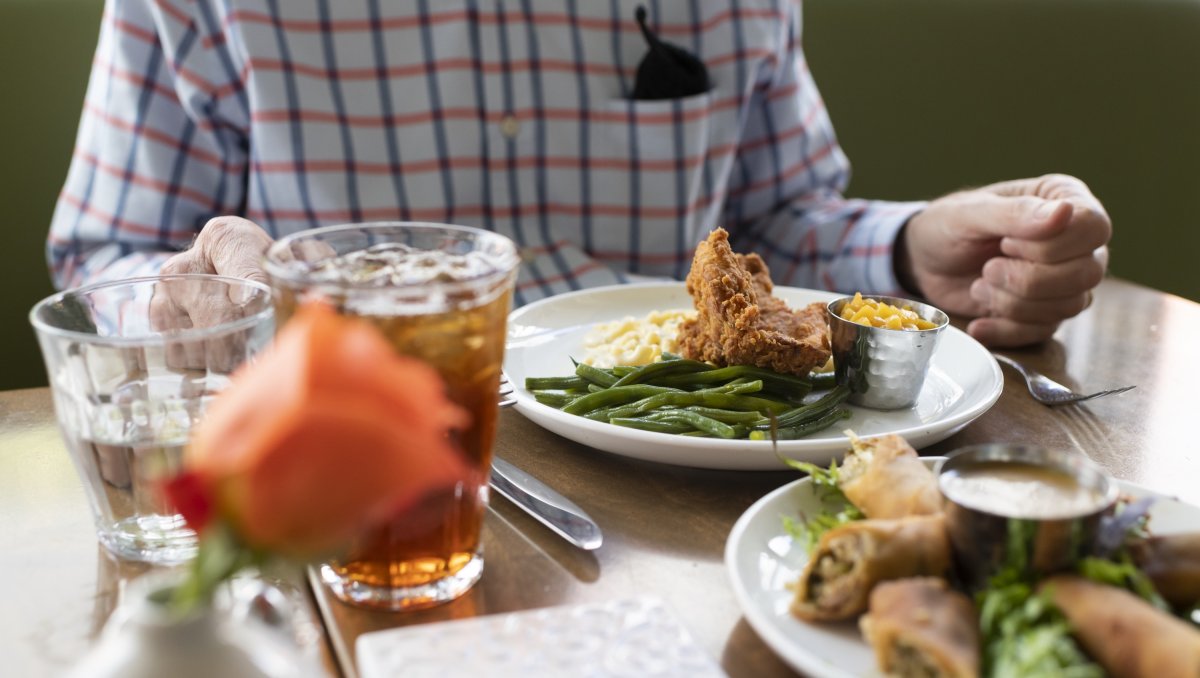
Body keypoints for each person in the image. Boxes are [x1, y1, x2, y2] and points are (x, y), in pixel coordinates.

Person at [48, 1, 1109, 348]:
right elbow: (107, 256)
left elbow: (775, 220)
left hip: (694, 478)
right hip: (356, 466)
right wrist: (207, 306)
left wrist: (912, 251)